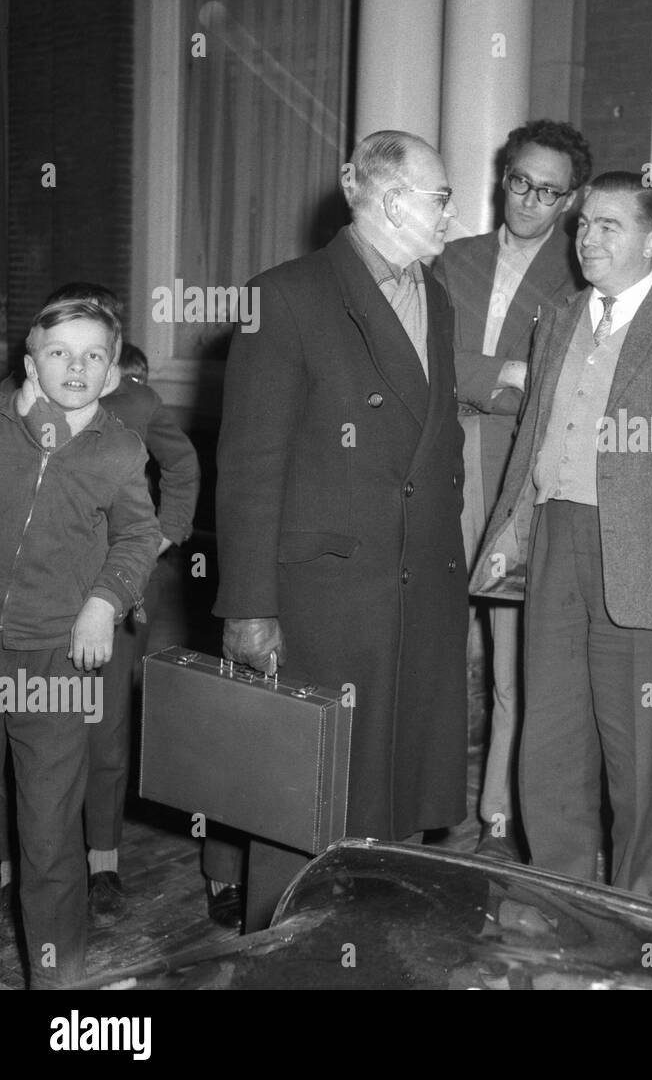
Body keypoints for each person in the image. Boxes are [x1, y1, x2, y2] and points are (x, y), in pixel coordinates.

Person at [213, 130, 468, 926]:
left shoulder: (439, 298)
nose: (452, 216)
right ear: (392, 202)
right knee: (307, 800)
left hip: (417, 588)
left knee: (394, 798)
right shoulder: (285, 296)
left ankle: (375, 951)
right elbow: (250, 465)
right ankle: (282, 962)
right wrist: (249, 606)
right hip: (327, 597)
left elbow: (437, 441)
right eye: (441, 199)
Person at [471, 171, 652, 898]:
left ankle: (637, 919)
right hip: (556, 546)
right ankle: (554, 897)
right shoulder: (557, 317)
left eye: (608, 226)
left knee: (639, 760)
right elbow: (534, 438)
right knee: (550, 741)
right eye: (584, 223)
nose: (587, 238)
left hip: (647, 563)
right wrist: (511, 529)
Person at [0, 285, 198, 932]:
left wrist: (103, 601)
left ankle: (57, 979)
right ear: (31, 365)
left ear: (112, 370)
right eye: (58, 352)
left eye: (92, 355)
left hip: (55, 656)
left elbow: (140, 533)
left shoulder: (118, 448)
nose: (76, 367)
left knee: (51, 823)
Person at [435, 119, 589, 859]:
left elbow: (559, 382)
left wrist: (486, 378)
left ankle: (499, 815)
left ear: (571, 199)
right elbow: (424, 358)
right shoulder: (451, 257)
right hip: (437, 467)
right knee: (431, 651)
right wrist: (504, 375)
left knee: (514, 665)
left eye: (549, 190)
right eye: (519, 180)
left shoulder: (579, 273)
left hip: (518, 482)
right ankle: (431, 809)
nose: (529, 199)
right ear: (503, 176)